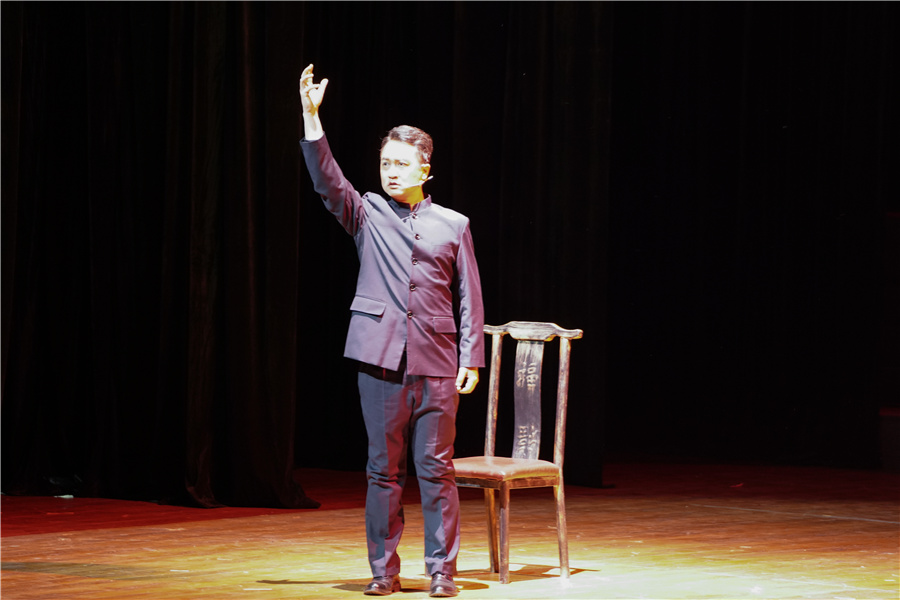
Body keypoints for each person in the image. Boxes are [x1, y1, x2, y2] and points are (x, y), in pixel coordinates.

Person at [298, 64, 485, 598]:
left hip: (437, 363)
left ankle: (442, 572)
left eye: (402, 164)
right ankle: (384, 572)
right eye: (385, 163)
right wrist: (311, 118)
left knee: (436, 469)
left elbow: (469, 295)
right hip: (379, 361)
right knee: (383, 471)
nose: (391, 172)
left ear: (426, 168)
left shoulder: (453, 224)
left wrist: (470, 357)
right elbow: (327, 180)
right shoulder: (367, 212)